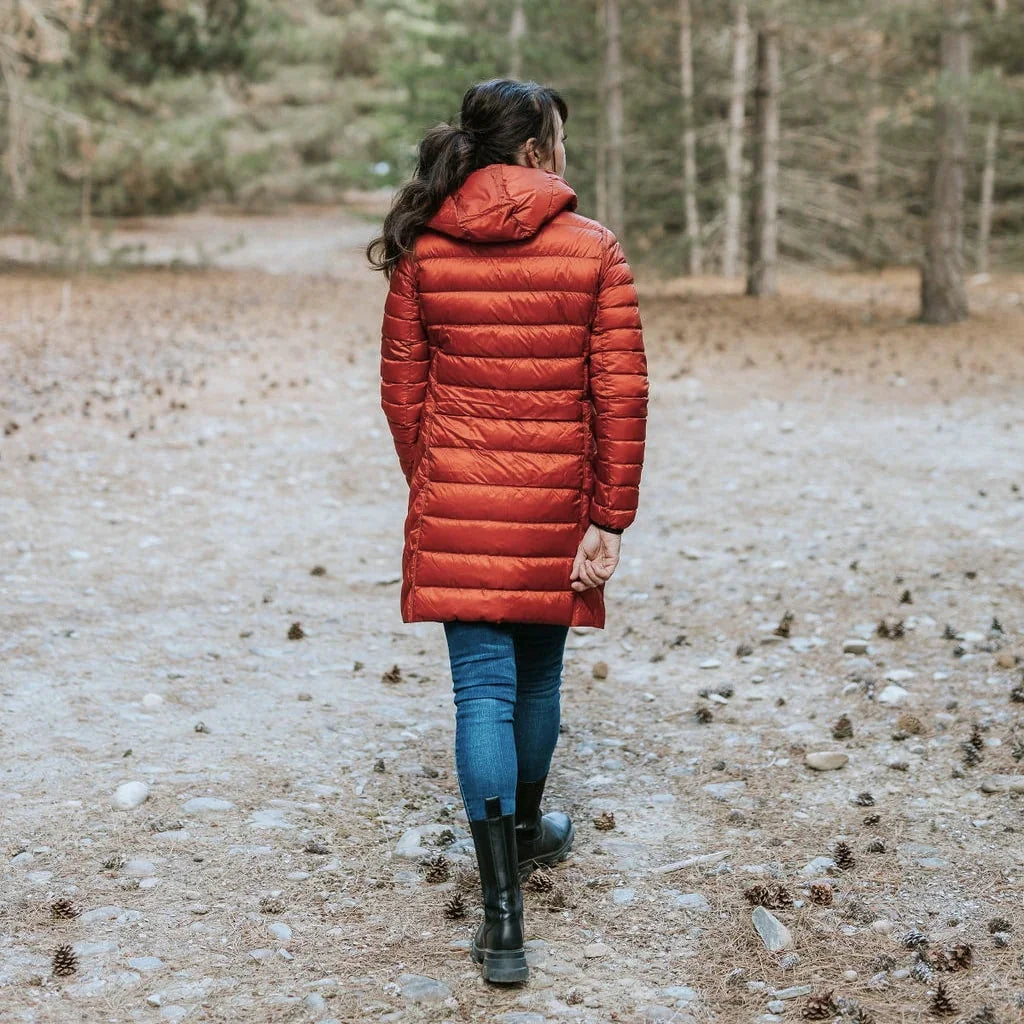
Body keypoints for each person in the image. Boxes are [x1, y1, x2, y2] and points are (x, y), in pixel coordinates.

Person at [368, 78, 648, 985]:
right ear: (534, 152)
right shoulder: (593, 248)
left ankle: (502, 917)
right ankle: (525, 829)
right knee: (536, 679)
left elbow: (402, 396)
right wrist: (608, 517)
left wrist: (441, 482)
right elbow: (621, 395)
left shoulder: (423, 250)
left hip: (458, 497)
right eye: (557, 138)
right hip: (556, 504)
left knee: (479, 693)